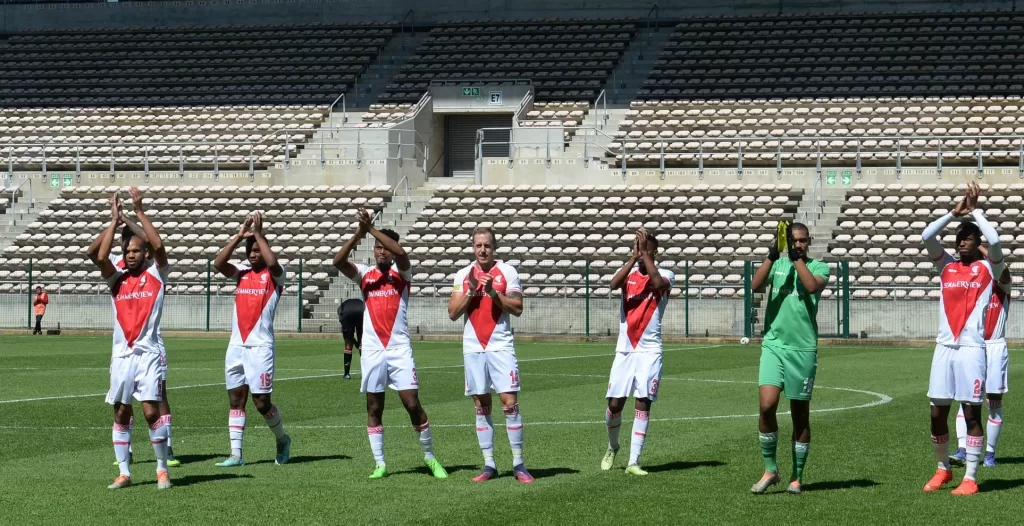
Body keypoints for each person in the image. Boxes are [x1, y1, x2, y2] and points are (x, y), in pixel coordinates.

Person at [333, 209, 448, 479]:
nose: (381, 252)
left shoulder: (402, 274)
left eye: (385, 247)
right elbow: (338, 261)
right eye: (377, 248)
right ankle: (380, 463)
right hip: (372, 351)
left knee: (412, 404)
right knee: (374, 407)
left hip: (399, 350)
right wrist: (358, 234)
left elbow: (403, 254)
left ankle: (430, 457)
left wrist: (373, 230)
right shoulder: (365, 275)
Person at [920, 182, 1004, 496]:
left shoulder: (987, 268)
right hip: (944, 348)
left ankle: (970, 477)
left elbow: (994, 240)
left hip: (972, 350)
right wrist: (953, 213)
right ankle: (943, 469)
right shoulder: (947, 267)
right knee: (936, 412)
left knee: (971, 412)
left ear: (976, 242)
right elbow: (927, 236)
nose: (962, 243)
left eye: (967, 239)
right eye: (959, 239)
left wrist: (975, 211)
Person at [87, 187, 173, 490]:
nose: (130, 254)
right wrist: (113, 221)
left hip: (148, 354)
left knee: (151, 411)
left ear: (145, 254)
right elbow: (99, 255)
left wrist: (138, 211)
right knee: (121, 411)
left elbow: (160, 244)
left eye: (136, 251)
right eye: (127, 252)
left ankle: (162, 469)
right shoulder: (116, 278)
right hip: (122, 356)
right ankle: (124, 472)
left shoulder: (157, 276)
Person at [748, 221, 830, 495]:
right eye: (794, 240)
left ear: (809, 242)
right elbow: (755, 285)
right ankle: (770, 469)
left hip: (802, 350)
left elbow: (810, 286)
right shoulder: (778, 265)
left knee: (800, 416)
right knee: (767, 405)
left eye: (803, 240)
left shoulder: (819, 267)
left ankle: (797, 475)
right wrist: (773, 253)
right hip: (773, 346)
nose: (799, 244)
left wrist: (797, 261)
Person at [447, 226, 532, 483]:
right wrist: (472, 291)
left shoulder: (508, 272)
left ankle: (518, 463)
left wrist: (494, 293)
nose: (482, 250)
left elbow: (517, 308)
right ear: (473, 248)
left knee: (509, 402)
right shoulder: (463, 274)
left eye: (487, 245)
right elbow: (452, 312)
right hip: (473, 347)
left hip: (500, 346)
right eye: (478, 245)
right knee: (481, 405)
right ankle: (489, 464)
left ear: (494, 247)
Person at [212, 211, 292, 467]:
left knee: (261, 403)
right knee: (236, 399)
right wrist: (239, 237)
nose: (254, 254)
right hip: (236, 345)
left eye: (258, 250)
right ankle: (236, 454)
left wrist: (258, 234)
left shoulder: (275, 276)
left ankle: (282, 439)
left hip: (260, 347)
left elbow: (274, 264)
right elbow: (218, 264)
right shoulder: (242, 273)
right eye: (251, 251)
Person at [601, 229, 674, 476]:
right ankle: (613, 447)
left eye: (645, 248)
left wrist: (645, 256)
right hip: (625, 350)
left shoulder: (665, 274)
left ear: (655, 251)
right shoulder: (629, 274)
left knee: (643, 402)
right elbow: (612, 285)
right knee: (614, 404)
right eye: (637, 246)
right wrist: (633, 258)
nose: (641, 252)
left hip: (650, 350)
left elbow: (656, 283)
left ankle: (633, 461)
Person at [951, 241, 1011, 468]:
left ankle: (990, 454)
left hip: (995, 348)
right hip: (972, 347)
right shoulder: (973, 288)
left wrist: (982, 247)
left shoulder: (1002, 286)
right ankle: (963, 448)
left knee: (993, 402)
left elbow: (1003, 271)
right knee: (965, 400)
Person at [338, 298, 365, 379]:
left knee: (348, 343)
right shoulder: (360, 302)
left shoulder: (340, 309)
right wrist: (358, 343)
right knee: (363, 343)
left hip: (348, 313)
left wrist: (354, 342)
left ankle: (346, 374)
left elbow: (349, 337)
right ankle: (365, 373)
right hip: (362, 310)